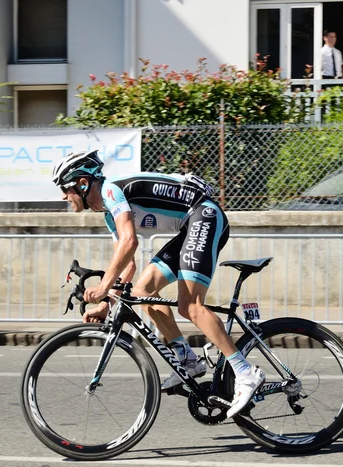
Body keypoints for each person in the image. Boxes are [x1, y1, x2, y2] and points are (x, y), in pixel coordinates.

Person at [52, 150, 265, 418]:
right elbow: (127, 264)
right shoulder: (109, 214)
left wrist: (104, 285)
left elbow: (130, 242)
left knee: (190, 306)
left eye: (65, 188)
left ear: (82, 184)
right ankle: (188, 359)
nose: (63, 196)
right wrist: (107, 305)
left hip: (204, 215)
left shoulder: (111, 191)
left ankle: (245, 373)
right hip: (191, 225)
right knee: (142, 292)